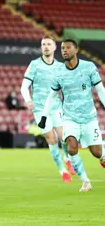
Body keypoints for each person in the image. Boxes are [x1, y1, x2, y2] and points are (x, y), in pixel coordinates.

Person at [38, 39, 105, 192]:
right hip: (69, 118)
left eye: (68, 47)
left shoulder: (88, 67)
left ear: (76, 50)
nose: (64, 50)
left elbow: (100, 90)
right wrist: (44, 116)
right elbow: (52, 96)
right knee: (72, 148)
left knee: (97, 152)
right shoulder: (59, 72)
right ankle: (85, 181)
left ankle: (103, 156)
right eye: (62, 48)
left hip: (89, 118)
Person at [21, 36, 75, 182]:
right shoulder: (34, 65)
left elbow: (66, 87)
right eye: (43, 44)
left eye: (48, 44)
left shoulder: (60, 66)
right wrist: (28, 100)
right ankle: (62, 171)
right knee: (51, 139)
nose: (45, 47)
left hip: (56, 106)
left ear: (54, 47)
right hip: (39, 108)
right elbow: (24, 86)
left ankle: (68, 159)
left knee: (63, 137)